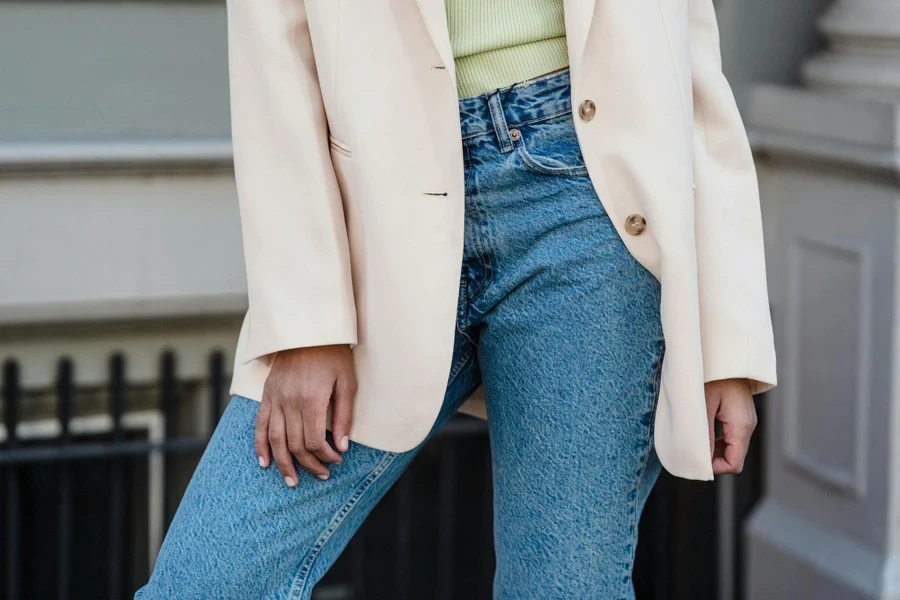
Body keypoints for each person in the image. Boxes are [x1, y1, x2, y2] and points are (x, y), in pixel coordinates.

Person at [136, 0, 777, 597]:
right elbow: (272, 53)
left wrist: (727, 344)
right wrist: (306, 326)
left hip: (590, 206)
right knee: (205, 581)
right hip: (379, 221)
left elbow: (689, 74)